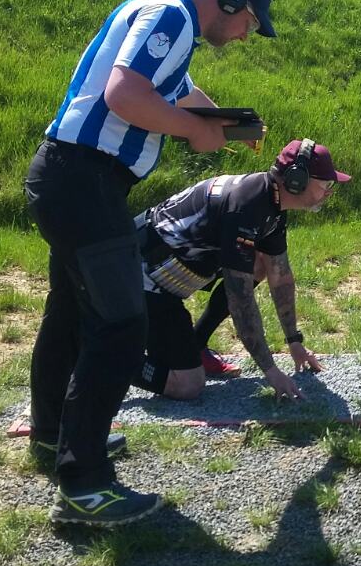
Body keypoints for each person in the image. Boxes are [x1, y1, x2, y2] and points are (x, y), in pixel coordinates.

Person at [23, 0, 276, 527]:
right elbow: (125, 94)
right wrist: (194, 132)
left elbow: (181, 93)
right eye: (248, 22)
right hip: (85, 182)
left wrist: (227, 125)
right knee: (119, 326)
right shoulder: (172, 17)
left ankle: (52, 436)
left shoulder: (166, 21)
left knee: (69, 314)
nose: (243, 34)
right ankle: (85, 487)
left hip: (73, 180)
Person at [130, 138, 349, 401]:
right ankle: (104, 357)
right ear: (296, 180)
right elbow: (240, 299)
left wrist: (295, 341)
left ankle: (196, 344)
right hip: (136, 280)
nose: (329, 192)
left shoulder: (270, 202)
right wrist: (271, 370)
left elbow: (280, 277)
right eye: (326, 184)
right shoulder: (246, 208)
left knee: (260, 264)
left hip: (160, 276)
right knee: (187, 385)